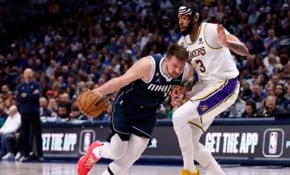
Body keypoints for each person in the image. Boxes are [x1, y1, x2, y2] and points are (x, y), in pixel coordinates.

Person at [77, 44, 193, 175]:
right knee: (117, 151)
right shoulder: (148, 66)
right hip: (127, 106)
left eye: (181, 67)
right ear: (166, 60)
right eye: (175, 66)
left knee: (130, 158)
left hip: (149, 112)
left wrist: (178, 90)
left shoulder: (187, 71)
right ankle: (96, 151)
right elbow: (120, 81)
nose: (178, 70)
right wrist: (98, 91)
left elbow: (187, 82)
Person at [173, 2, 249, 175]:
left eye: (185, 18)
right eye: (179, 18)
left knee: (178, 117)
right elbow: (190, 72)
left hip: (225, 84)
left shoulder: (212, 30)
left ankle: (188, 170)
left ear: (196, 18)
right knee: (191, 142)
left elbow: (244, 51)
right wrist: (182, 87)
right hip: (204, 87)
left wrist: (227, 43)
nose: (181, 22)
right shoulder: (182, 42)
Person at [16, 68, 44, 162]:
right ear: (23, 75)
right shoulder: (20, 86)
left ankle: (40, 155)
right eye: (26, 73)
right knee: (25, 134)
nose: (28, 74)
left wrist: (26, 96)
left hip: (35, 112)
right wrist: (30, 95)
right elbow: (19, 99)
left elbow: (37, 96)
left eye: (30, 73)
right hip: (24, 112)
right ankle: (26, 155)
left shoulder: (37, 84)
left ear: (32, 74)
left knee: (38, 134)